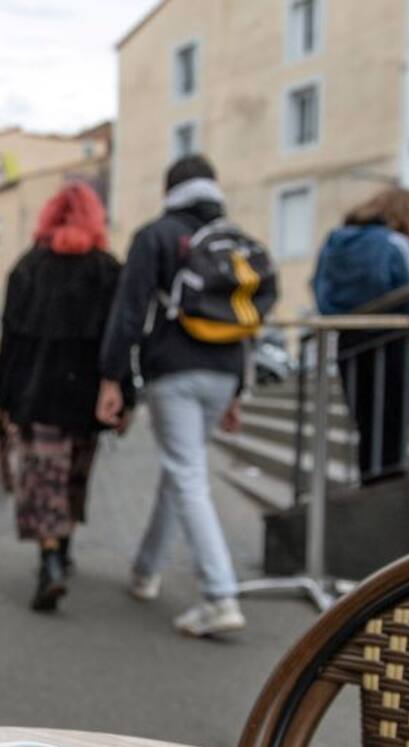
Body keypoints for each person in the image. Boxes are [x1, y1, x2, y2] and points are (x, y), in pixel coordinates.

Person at [96, 155, 247, 638]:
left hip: (174, 372)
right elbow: (245, 322)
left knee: (186, 475)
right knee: (181, 470)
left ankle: (220, 595)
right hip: (224, 371)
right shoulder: (232, 240)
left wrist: (111, 378)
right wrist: (237, 390)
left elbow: (128, 313)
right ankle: (145, 569)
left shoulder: (156, 236)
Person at [0, 182, 124, 612]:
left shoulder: (28, 268)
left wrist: (4, 397)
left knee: (43, 478)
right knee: (75, 474)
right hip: (86, 397)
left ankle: (50, 557)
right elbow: (121, 340)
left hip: (37, 392)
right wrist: (123, 393)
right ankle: (64, 549)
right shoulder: (107, 270)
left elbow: (10, 340)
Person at [313, 188, 409, 486]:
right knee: (392, 425)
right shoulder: (394, 243)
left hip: (349, 343)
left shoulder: (335, 241)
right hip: (390, 342)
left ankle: (370, 485)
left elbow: (320, 292)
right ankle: (389, 490)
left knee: (366, 424)